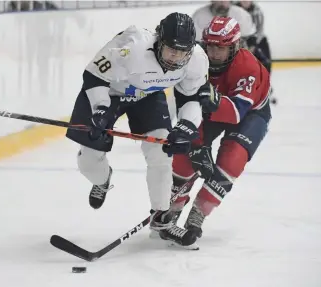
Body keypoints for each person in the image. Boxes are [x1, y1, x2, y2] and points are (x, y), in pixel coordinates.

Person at [65, 12, 220, 246]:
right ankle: (102, 179)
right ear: (159, 41)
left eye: (182, 52)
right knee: (89, 160)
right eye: (171, 50)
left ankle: (162, 218)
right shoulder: (132, 47)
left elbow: (192, 98)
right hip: (108, 92)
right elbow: (94, 76)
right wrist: (99, 110)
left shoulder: (197, 59)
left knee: (161, 153)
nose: (176, 58)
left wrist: (186, 127)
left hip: (147, 95)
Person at [156, 16, 272, 248]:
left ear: (235, 46)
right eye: (210, 46)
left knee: (231, 161)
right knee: (184, 155)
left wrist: (215, 101)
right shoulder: (195, 60)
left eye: (221, 47)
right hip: (210, 110)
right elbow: (187, 107)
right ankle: (172, 207)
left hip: (250, 114)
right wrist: (198, 146)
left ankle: (199, 212)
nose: (214, 52)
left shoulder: (247, 67)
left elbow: (237, 113)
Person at [236, 1, 277, 105]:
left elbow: (259, 31)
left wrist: (253, 46)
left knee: (265, 62)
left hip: (256, 40)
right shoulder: (235, 10)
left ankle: (265, 86)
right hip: (239, 40)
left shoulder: (257, 11)